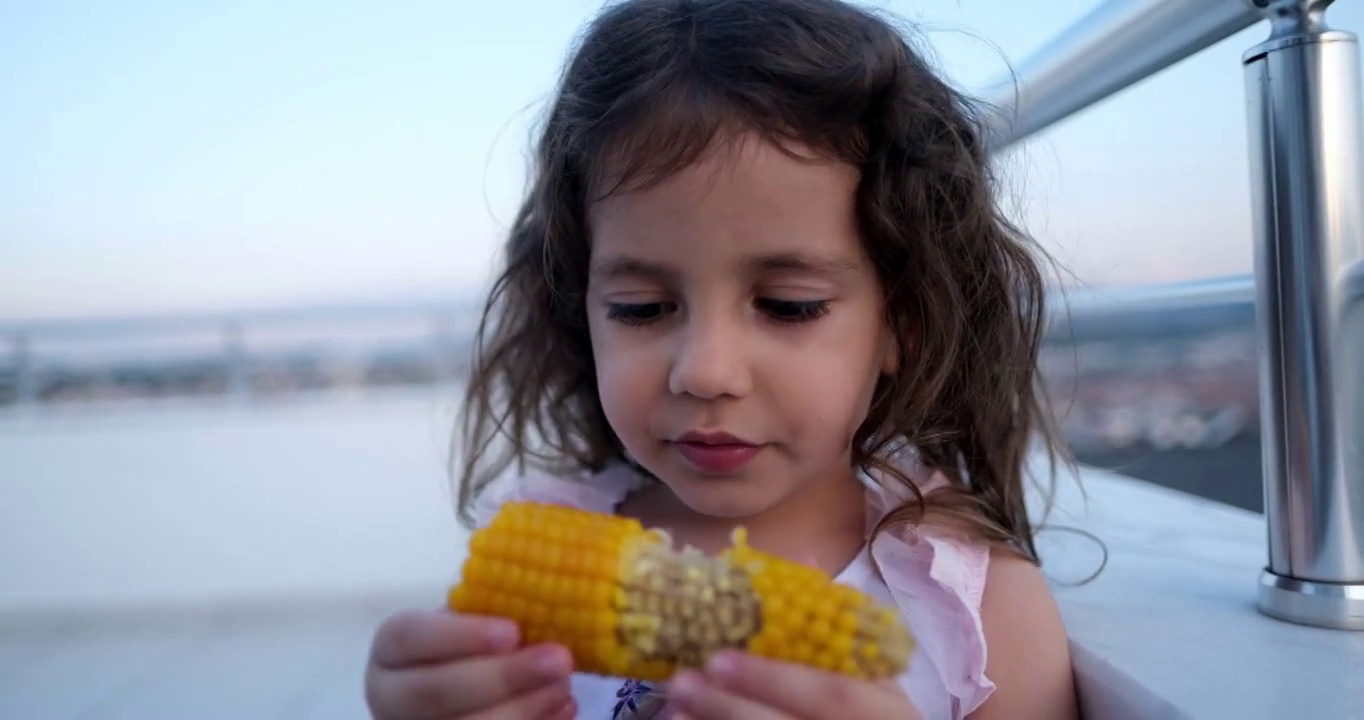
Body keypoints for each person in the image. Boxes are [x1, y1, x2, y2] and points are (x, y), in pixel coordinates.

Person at [365, 0, 1079, 717]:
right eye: (640, 308)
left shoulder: (979, 613)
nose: (705, 371)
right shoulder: (516, 593)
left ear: (905, 324)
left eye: (789, 305)